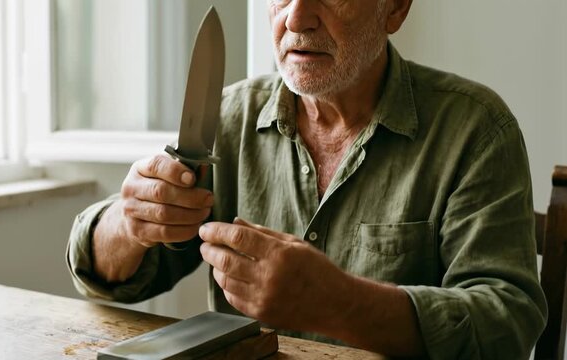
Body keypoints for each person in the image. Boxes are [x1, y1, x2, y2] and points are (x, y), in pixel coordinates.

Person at [66, 0, 547, 358]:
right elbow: (104, 279)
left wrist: (340, 302)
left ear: (395, 7)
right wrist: (128, 224)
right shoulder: (227, 118)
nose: (296, 18)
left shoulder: (475, 129)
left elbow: (507, 324)